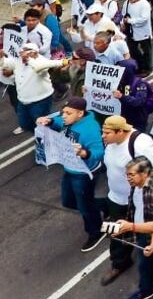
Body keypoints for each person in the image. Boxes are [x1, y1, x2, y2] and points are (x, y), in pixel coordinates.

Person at [35, 96, 106, 251]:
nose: (64, 116)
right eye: (64, 112)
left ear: (80, 114)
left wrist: (84, 153)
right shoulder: (68, 120)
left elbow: (99, 151)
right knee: (68, 201)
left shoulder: (90, 129)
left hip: (84, 173)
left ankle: (96, 231)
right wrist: (50, 122)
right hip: (70, 168)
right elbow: (59, 122)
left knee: (84, 206)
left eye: (68, 113)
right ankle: (105, 206)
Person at [99, 115, 153, 287]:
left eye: (107, 133)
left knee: (146, 233)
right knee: (117, 233)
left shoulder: (140, 143)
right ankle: (120, 263)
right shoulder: (110, 142)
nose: (103, 136)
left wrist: (152, 196)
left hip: (137, 200)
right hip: (115, 197)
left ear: (120, 131)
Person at [118, 155, 153, 299]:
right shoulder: (135, 187)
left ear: (145, 173)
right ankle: (146, 290)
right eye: (127, 174)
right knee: (144, 264)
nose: (128, 178)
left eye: (132, 174)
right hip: (143, 232)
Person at [2, 42, 67, 133]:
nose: (22, 54)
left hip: (40, 100)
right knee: (24, 124)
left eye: (26, 52)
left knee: (43, 124)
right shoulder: (18, 60)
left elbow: (38, 67)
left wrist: (28, 59)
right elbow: (6, 64)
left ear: (35, 53)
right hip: (23, 100)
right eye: (22, 52)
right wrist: (1, 58)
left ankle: (57, 132)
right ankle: (41, 134)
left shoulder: (41, 61)